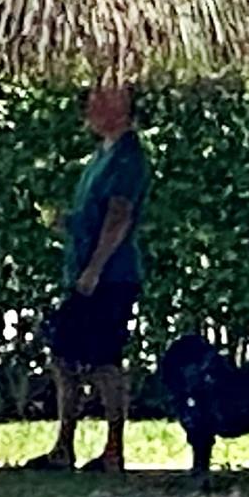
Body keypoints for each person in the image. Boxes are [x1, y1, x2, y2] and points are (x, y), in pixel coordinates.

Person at [25, 83, 151, 473]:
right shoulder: (100, 155)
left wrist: (95, 268)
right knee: (64, 355)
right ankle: (64, 445)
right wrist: (67, 223)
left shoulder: (128, 158)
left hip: (109, 277)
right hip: (83, 271)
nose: (90, 106)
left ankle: (113, 449)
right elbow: (94, 214)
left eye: (101, 99)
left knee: (104, 360)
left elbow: (119, 216)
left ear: (122, 106)